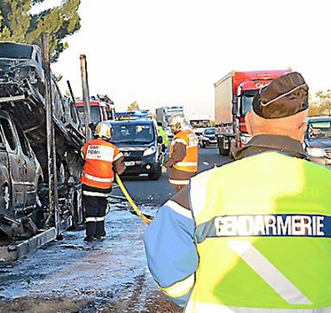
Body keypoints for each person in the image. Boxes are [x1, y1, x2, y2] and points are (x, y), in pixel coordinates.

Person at [144, 72, 331, 311]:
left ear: (251, 124)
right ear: (303, 127)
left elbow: (165, 258)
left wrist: (190, 298)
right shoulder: (327, 185)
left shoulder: (201, 191)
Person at [80, 122, 126, 241]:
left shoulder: (88, 145)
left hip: (89, 185)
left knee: (90, 210)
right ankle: (100, 232)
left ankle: (90, 234)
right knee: (101, 208)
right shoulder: (113, 149)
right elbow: (120, 169)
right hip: (104, 187)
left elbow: (82, 155)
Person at [162, 115, 198, 191]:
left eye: (173, 126)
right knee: (187, 195)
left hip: (181, 172)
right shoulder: (190, 134)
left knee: (181, 197)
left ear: (179, 125)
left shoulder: (181, 137)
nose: (172, 129)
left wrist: (166, 165)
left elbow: (178, 155)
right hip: (191, 171)